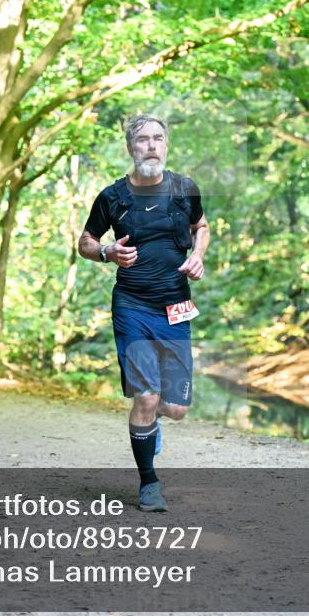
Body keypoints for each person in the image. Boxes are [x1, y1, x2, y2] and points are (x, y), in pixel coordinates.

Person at [78, 114, 210, 512]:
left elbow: (201, 226)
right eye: (142, 140)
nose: (151, 146)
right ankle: (149, 482)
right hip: (132, 305)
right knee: (147, 398)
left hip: (175, 306)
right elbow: (85, 241)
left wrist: (199, 257)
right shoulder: (112, 197)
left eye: (158, 139)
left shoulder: (185, 189)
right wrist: (106, 252)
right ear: (130, 148)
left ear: (166, 145)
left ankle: (151, 430)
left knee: (176, 409)